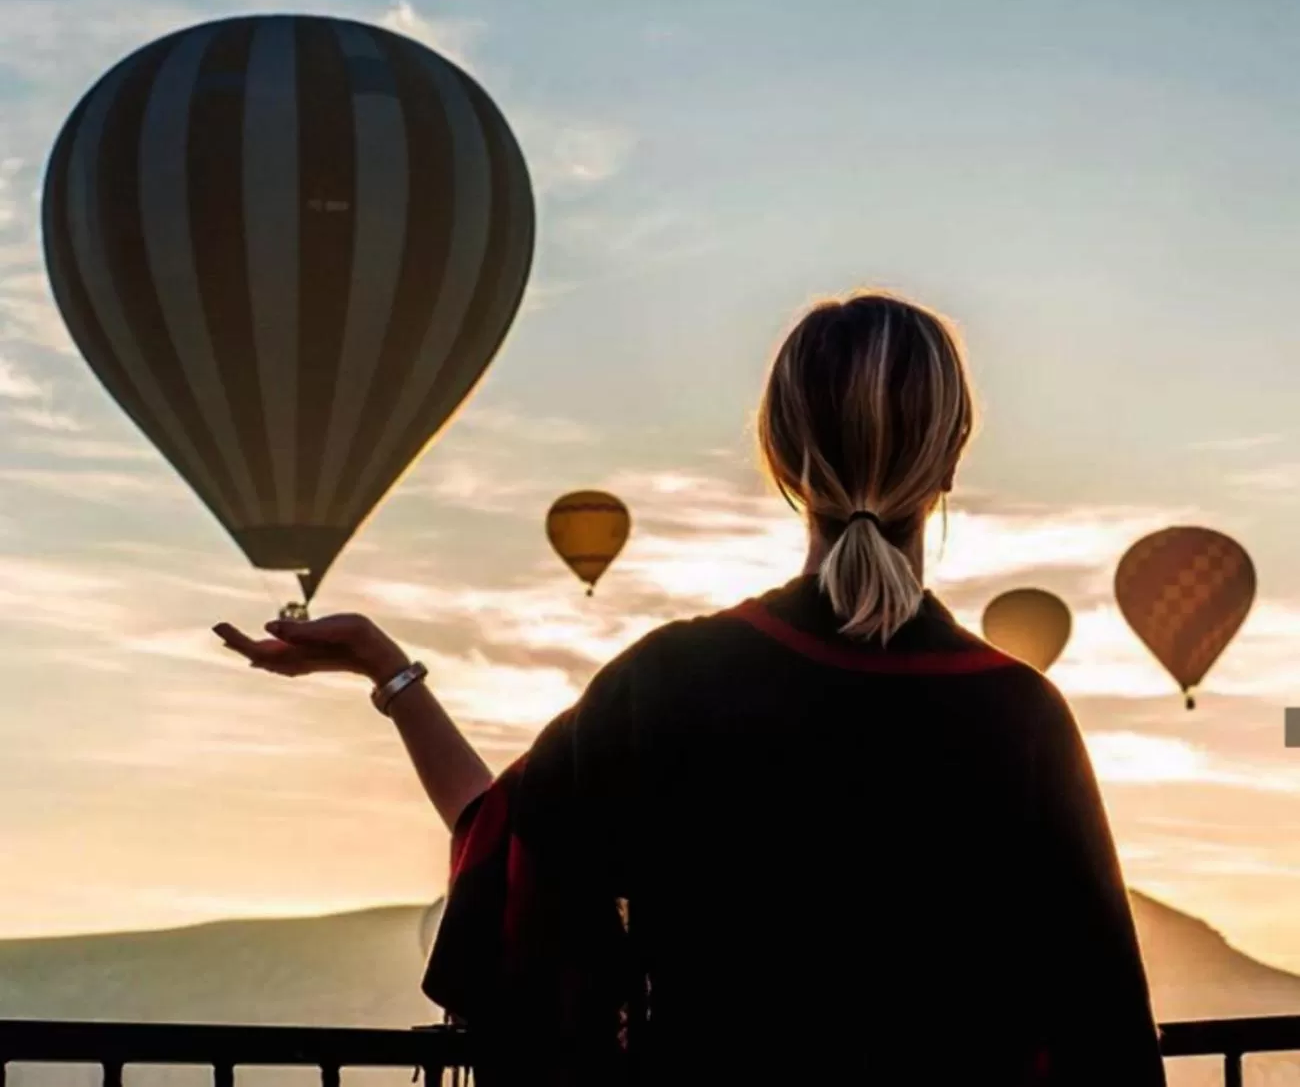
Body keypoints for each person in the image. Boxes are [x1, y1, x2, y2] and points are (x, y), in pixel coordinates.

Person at [215, 291, 1166, 1087]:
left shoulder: (673, 682)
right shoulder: (1019, 717)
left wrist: (395, 676)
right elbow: (1105, 1034)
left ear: (782, 460)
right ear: (951, 458)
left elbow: (508, 866)